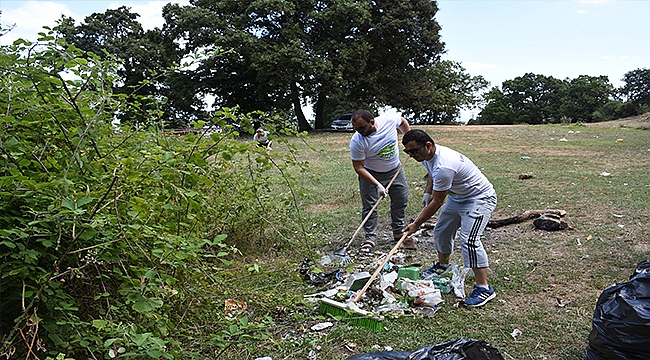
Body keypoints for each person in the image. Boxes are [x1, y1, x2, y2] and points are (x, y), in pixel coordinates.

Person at [402, 129, 497, 307]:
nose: (411, 155)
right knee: (442, 230)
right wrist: (427, 191)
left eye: (413, 151)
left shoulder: (444, 166)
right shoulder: (427, 156)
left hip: (479, 198)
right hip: (458, 197)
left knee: (469, 239)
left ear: (428, 145)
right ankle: (443, 266)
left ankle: (484, 288)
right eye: (407, 152)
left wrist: (416, 224)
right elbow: (431, 172)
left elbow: (438, 202)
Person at [349, 109, 411, 253]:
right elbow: (358, 167)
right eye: (356, 129)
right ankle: (370, 238)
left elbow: (402, 122)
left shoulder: (388, 120)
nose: (359, 131)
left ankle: (398, 232)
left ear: (372, 122)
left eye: (362, 128)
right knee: (370, 206)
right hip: (370, 173)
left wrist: (409, 141)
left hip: (394, 169)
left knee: (400, 200)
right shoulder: (357, 141)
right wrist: (377, 184)